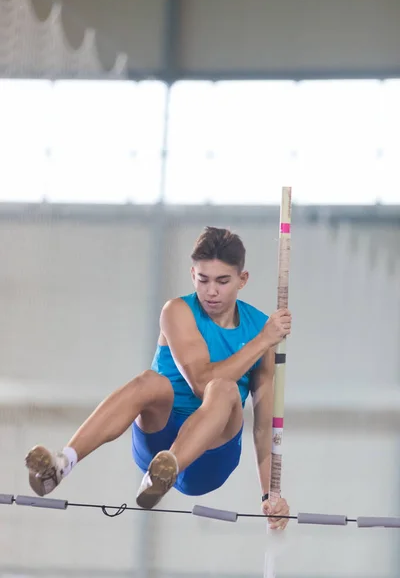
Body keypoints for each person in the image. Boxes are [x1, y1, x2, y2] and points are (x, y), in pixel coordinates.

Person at [25, 226, 292, 529]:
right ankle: (63, 464)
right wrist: (262, 341)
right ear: (193, 275)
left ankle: (170, 469)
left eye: (222, 281)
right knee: (151, 381)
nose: (211, 291)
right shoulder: (177, 311)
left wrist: (270, 495)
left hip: (211, 455)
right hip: (159, 440)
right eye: (203, 280)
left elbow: (263, 424)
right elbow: (200, 382)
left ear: (242, 280)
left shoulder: (260, 327)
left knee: (225, 390)